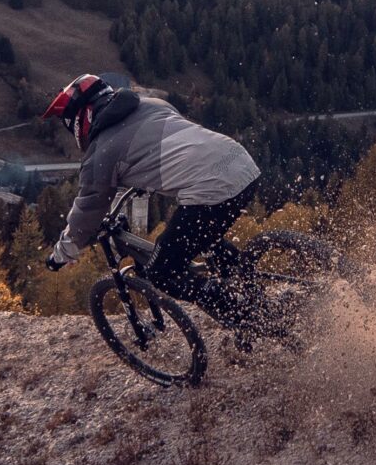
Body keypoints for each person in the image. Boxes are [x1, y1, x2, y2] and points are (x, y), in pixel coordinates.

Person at [41, 74, 259, 312]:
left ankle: (247, 319)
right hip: (242, 163)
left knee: (162, 272)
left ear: (81, 119)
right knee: (204, 238)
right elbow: (164, 148)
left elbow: (87, 211)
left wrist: (60, 255)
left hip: (213, 190)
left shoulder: (101, 154)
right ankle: (254, 294)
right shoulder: (152, 104)